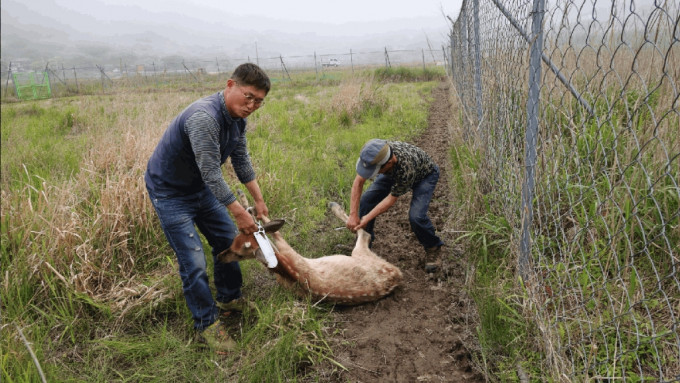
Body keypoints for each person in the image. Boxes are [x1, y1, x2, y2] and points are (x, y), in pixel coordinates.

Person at [145, 63, 270, 352]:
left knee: (226, 241)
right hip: (170, 193)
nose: (252, 105)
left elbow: (240, 163)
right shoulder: (204, 117)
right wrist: (240, 212)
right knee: (193, 261)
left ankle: (228, 298)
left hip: (201, 188)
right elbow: (212, 173)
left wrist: (259, 200)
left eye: (259, 101)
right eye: (248, 96)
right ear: (229, 85)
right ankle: (206, 324)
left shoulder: (238, 120)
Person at [346, 139, 445, 273]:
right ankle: (364, 245)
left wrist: (366, 218)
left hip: (425, 176)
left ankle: (433, 246)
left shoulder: (405, 167)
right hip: (392, 172)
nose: (373, 174)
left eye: (376, 170)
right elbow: (358, 181)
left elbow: (390, 200)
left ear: (390, 162)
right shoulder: (377, 153)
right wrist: (353, 214)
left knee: (416, 217)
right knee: (367, 200)